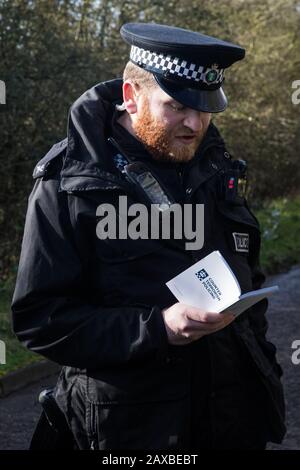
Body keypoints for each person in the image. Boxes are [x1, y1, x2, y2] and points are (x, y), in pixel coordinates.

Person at [11, 22, 285, 450]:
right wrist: (157, 329)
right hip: (132, 434)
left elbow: (248, 278)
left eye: (206, 107)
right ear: (130, 97)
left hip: (232, 425)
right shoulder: (68, 185)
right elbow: (40, 321)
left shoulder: (218, 167)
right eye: (176, 106)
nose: (195, 124)